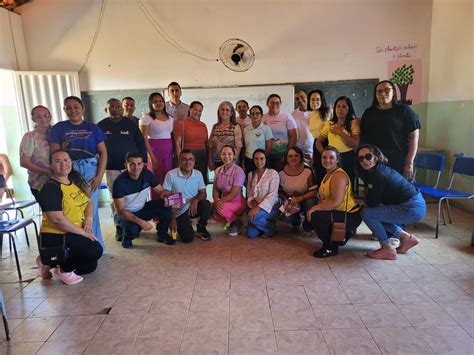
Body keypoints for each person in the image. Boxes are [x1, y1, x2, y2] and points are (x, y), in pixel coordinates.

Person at [48, 96, 107, 252]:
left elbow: (103, 153)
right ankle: (75, 247)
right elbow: (54, 154)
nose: (72, 110)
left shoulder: (93, 127)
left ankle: (96, 245)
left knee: (90, 208)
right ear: (64, 110)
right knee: (71, 207)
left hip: (90, 168)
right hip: (68, 168)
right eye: (68, 107)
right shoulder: (58, 128)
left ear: (82, 109)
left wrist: (99, 176)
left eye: (76, 107)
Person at [36, 150, 103, 285]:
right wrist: (83, 233)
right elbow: (57, 220)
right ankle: (62, 270)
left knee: (89, 266)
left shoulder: (73, 182)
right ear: (51, 165)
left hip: (72, 231)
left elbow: (88, 202)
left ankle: (48, 261)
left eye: (66, 160)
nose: (63, 164)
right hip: (56, 235)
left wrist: (88, 220)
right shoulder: (50, 188)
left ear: (71, 162)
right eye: (58, 161)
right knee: (95, 250)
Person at [357, 144, 425, 260]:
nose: (364, 160)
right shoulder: (378, 170)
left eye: (368, 156)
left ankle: (387, 248)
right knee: (375, 214)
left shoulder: (378, 174)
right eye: (361, 158)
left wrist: (358, 204)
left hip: (411, 207)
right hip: (415, 205)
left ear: (376, 157)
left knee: (367, 213)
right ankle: (408, 238)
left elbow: (372, 203)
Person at [98, 98, 147, 241]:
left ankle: (134, 224)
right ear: (106, 109)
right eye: (112, 107)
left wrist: (143, 162)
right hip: (111, 168)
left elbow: (141, 143)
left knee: (134, 196)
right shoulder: (101, 126)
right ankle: (119, 226)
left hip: (133, 168)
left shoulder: (131, 124)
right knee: (116, 199)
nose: (115, 109)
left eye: (118, 107)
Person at [306, 146, 361, 258]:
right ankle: (342, 236)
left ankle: (331, 247)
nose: (327, 160)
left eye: (331, 157)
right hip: (339, 211)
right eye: (324, 157)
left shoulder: (338, 175)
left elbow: (336, 202)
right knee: (308, 221)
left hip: (350, 214)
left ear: (337, 160)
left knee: (315, 215)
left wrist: (314, 208)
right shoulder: (328, 174)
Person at [360, 80, 421, 178]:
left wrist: (409, 162)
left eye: (387, 90)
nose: (383, 93)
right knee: (377, 191)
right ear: (375, 95)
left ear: (393, 93)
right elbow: (363, 137)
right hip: (374, 161)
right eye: (379, 91)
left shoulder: (404, 110)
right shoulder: (369, 113)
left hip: (398, 161)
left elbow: (414, 137)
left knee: (396, 191)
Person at [112, 152, 173, 249]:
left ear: (143, 164)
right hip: (125, 214)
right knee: (133, 231)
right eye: (132, 164)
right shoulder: (119, 183)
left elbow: (160, 191)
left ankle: (162, 234)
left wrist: (166, 197)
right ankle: (126, 237)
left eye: (139, 163)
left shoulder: (147, 174)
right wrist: (141, 222)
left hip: (142, 208)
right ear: (125, 165)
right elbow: (121, 210)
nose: (136, 167)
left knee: (165, 205)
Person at [162, 150, 212, 242]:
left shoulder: (198, 174)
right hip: (178, 211)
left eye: (190, 159)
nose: (188, 162)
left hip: (193, 207)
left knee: (206, 204)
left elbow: (203, 193)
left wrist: (195, 200)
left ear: (194, 161)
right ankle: (180, 223)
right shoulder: (171, 175)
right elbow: (165, 197)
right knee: (187, 239)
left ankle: (201, 229)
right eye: (184, 159)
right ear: (179, 161)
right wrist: (172, 218)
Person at [316, 96, 359, 187]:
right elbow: (318, 142)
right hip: (332, 158)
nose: (340, 109)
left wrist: (340, 132)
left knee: (347, 185)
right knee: (332, 184)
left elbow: (356, 143)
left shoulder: (353, 123)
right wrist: (324, 153)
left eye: (344, 107)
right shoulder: (329, 124)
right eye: (338, 106)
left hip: (348, 158)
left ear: (349, 109)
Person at [279, 147, 318, 237]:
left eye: (296, 156)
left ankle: (308, 228)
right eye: (290, 156)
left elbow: (314, 191)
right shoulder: (281, 173)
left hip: (305, 198)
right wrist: (286, 200)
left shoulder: (307, 171)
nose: (293, 158)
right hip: (290, 199)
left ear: (301, 157)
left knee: (311, 203)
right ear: (286, 158)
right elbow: (279, 191)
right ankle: (295, 223)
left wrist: (300, 198)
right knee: (287, 217)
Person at [140, 92, 174, 186]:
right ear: (151, 104)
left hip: (168, 152)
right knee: (156, 180)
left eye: (160, 101)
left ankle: (168, 200)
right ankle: (157, 201)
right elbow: (144, 139)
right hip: (154, 152)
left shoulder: (170, 118)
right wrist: (151, 157)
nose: (158, 103)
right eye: (155, 101)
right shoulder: (146, 118)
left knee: (168, 179)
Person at [212, 145, 247, 236]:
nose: (226, 156)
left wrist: (220, 202)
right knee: (211, 210)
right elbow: (215, 188)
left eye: (229, 154)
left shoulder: (239, 171)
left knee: (219, 209)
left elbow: (233, 194)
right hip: (224, 201)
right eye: (224, 154)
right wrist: (216, 201)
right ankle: (232, 221)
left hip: (237, 202)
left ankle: (237, 222)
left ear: (234, 156)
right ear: (220, 155)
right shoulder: (218, 170)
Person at [19, 105, 52, 199]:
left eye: (46, 115)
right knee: (49, 212)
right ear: (33, 119)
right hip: (39, 183)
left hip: (60, 180)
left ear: (50, 116)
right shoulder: (29, 137)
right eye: (39, 116)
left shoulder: (57, 133)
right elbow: (24, 162)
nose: (43, 119)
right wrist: (46, 171)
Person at [246, 149, 280, 238]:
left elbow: (272, 195)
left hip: (272, 207)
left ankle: (271, 229)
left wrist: (257, 207)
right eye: (256, 159)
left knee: (254, 218)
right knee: (250, 234)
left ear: (266, 159)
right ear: (253, 160)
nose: (259, 161)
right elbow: (249, 193)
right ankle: (267, 223)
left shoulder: (273, 173)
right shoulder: (251, 174)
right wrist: (253, 203)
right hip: (256, 205)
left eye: (261, 158)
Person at [174, 101, 209, 184]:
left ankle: (201, 197)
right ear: (190, 109)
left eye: (200, 111)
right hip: (188, 156)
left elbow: (206, 143)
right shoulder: (181, 123)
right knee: (188, 181)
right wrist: (180, 160)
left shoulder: (203, 125)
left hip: (203, 156)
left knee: (200, 182)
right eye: (195, 110)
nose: (197, 112)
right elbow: (177, 144)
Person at [263, 94, 297, 171]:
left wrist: (287, 154)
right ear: (267, 104)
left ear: (280, 104)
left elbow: (293, 136)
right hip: (266, 155)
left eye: (277, 102)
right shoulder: (262, 117)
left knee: (280, 177)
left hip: (282, 155)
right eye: (272, 102)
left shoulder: (287, 116)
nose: (274, 105)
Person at [208, 101, 243, 170]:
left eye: (227, 110)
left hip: (230, 162)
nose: (224, 112)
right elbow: (210, 145)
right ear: (219, 112)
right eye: (222, 109)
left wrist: (233, 162)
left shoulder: (236, 127)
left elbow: (238, 147)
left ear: (231, 113)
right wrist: (210, 160)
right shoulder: (215, 126)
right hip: (216, 162)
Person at [308, 89, 332, 186]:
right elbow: (314, 135)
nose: (315, 102)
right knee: (318, 171)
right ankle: (321, 195)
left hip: (328, 143)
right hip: (316, 143)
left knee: (329, 170)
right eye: (312, 100)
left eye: (317, 99)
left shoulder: (328, 111)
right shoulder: (310, 115)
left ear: (322, 101)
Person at [243, 105, 273, 175]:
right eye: (252, 114)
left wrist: (262, 161)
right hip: (248, 160)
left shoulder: (266, 129)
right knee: (250, 182)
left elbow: (269, 148)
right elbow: (244, 147)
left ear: (262, 116)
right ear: (249, 116)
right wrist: (243, 162)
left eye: (257, 113)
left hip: (261, 161)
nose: (254, 115)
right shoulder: (245, 130)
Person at [292, 90, 313, 165]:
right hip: (300, 154)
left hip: (315, 153)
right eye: (297, 99)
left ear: (307, 97)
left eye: (302, 97)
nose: (300, 100)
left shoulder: (315, 113)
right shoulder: (292, 115)